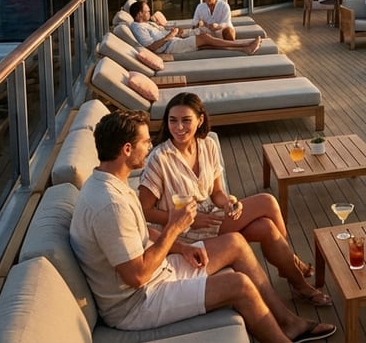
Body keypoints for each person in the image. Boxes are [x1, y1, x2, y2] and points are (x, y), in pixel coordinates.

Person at [69, 109, 336, 341]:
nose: (150, 146)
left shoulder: (110, 182)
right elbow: (136, 277)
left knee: (235, 243)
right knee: (238, 285)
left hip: (157, 272)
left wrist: (182, 248)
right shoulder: (109, 204)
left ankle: (288, 321)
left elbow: (140, 233)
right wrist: (174, 227)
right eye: (145, 141)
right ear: (127, 149)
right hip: (137, 303)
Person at [138, 93, 331, 306]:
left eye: (186, 120)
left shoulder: (207, 145)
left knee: (266, 227)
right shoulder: (159, 159)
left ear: (200, 120)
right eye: (172, 120)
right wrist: (188, 219)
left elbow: (217, 192)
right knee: (267, 201)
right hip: (183, 234)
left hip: (212, 220)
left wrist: (228, 203)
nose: (179, 127)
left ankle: (297, 283)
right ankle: (294, 269)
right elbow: (144, 210)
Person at [129, 0, 261, 56]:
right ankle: (245, 44)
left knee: (207, 45)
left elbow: (159, 33)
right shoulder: (138, 28)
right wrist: (169, 36)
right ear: (139, 14)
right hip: (170, 47)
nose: (149, 13)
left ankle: (245, 49)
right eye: (147, 11)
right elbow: (150, 48)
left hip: (174, 41)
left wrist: (172, 32)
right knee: (204, 37)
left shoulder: (145, 24)